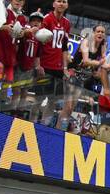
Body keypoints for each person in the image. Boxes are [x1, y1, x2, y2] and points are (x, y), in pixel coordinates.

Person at [39, 0, 75, 129]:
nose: (61, 4)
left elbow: (64, 47)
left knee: (53, 100)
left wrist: (65, 68)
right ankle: (31, 124)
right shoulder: (47, 19)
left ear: (67, 5)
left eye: (64, 1)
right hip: (44, 65)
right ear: (53, 4)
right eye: (59, 1)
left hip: (58, 67)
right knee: (39, 98)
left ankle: (44, 126)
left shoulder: (67, 23)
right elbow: (38, 42)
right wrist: (38, 64)